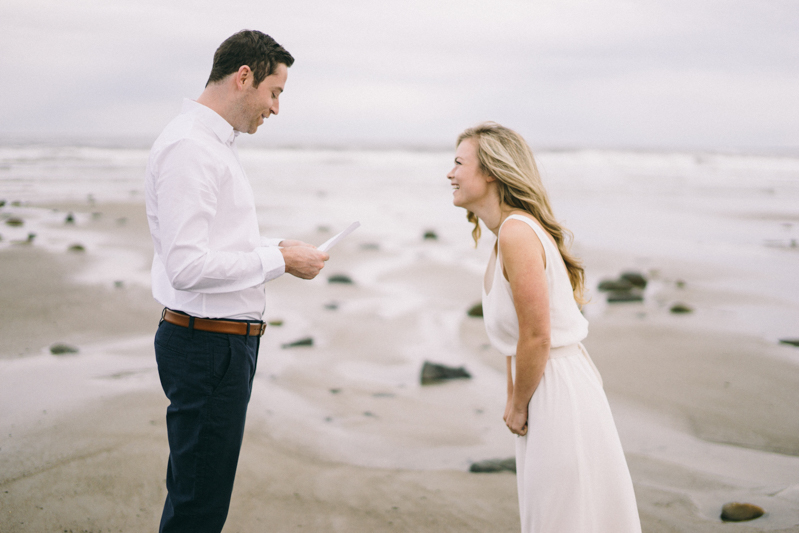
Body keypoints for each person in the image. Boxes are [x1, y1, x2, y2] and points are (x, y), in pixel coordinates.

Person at [144, 30, 329, 533]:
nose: (275, 109)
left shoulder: (209, 145)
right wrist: (278, 259)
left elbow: (213, 247)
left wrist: (278, 250)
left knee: (198, 497)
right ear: (244, 77)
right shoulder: (192, 148)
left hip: (214, 344)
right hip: (207, 346)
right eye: (275, 92)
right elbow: (187, 266)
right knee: (198, 507)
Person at [447, 122, 641, 532]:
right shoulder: (506, 234)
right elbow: (516, 339)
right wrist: (513, 397)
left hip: (557, 388)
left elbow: (537, 334)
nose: (450, 173)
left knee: (565, 517)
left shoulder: (517, 233)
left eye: (459, 163)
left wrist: (519, 403)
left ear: (491, 172)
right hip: (541, 384)